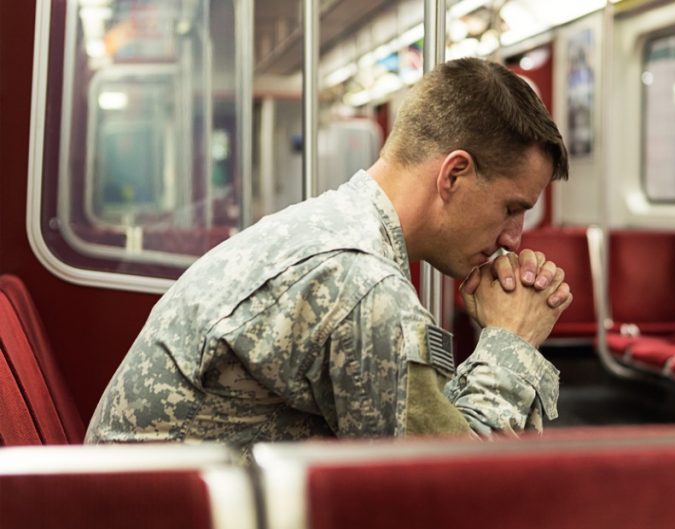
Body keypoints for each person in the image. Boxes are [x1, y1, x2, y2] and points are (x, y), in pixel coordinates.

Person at [85, 58, 572, 457]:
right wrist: (512, 342)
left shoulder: (333, 229)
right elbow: (455, 491)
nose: (514, 238)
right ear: (454, 175)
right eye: (512, 208)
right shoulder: (357, 283)